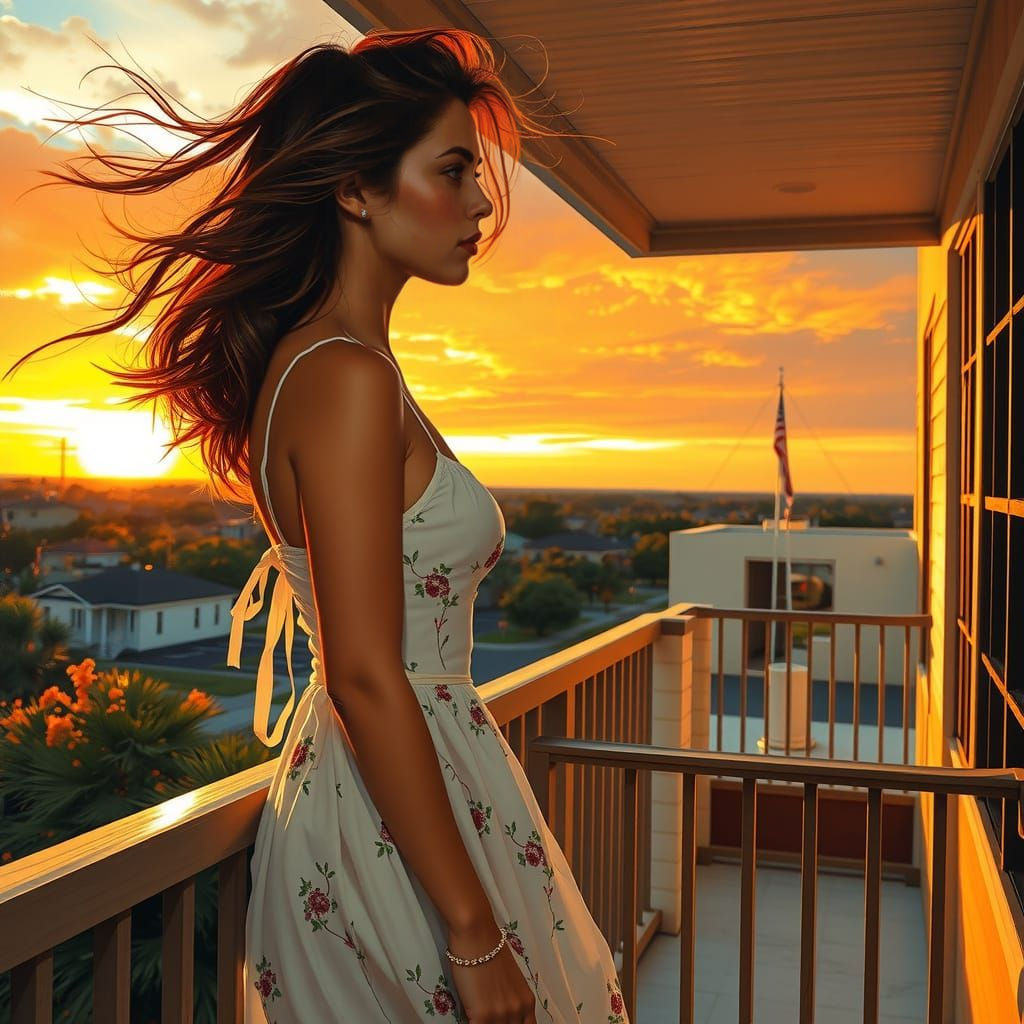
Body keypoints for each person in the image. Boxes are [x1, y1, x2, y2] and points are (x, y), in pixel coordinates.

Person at [8, 27, 627, 1024]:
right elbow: (367, 673)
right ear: (355, 189)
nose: (480, 204)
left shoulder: (347, 366)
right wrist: (472, 933)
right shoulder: (341, 375)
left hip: (405, 796)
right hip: (393, 829)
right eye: (455, 168)